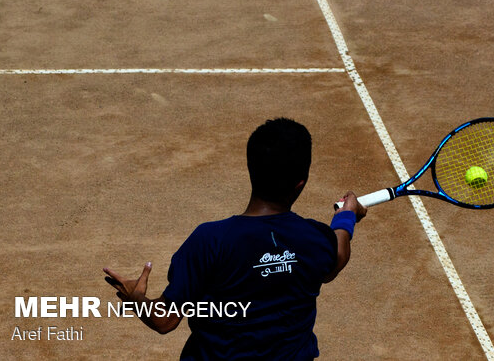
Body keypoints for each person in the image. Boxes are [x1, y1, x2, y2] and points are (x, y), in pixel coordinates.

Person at [104, 118, 367, 360]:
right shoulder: (316, 238)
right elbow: (337, 256)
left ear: (252, 169)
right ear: (301, 182)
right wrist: (346, 217)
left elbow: (164, 321)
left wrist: (137, 300)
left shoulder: (209, 240)